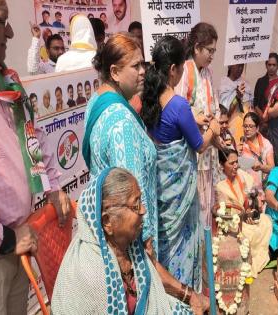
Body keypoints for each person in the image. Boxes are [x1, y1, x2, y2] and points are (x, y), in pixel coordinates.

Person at [0, 1, 69, 313]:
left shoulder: (5, 82)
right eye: (1, 21)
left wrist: (53, 187)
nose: (9, 32)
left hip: (18, 242)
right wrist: (4, 238)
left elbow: (33, 138)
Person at [52, 167, 208, 314]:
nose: (143, 210)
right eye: (136, 205)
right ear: (107, 221)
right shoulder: (92, 272)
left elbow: (153, 297)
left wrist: (190, 296)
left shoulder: (129, 247)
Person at [143, 36, 220, 291]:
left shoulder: (150, 100)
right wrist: (214, 130)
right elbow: (199, 145)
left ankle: (165, 291)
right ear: (174, 69)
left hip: (162, 194)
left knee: (166, 244)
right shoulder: (178, 104)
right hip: (180, 199)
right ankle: (184, 293)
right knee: (183, 245)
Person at [82, 33, 158, 255]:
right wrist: (147, 244)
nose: (143, 71)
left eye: (142, 63)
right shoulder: (122, 122)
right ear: (114, 72)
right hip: (131, 243)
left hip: (108, 231)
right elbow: (132, 196)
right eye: (136, 66)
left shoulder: (96, 100)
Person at [175, 22, 219, 226]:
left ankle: (205, 253)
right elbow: (178, 106)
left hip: (208, 150)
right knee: (195, 206)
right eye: (209, 50)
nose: (212, 55)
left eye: (214, 51)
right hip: (193, 150)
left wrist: (216, 124)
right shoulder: (186, 71)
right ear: (197, 48)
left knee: (207, 204)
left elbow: (214, 106)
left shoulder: (207, 73)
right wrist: (196, 116)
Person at [215, 149, 272, 277]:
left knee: (266, 221)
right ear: (221, 165)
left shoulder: (241, 175)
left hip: (244, 216)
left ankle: (257, 260)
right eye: (231, 163)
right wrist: (243, 218)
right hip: (232, 224)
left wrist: (250, 210)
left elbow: (248, 198)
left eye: (236, 162)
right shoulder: (220, 186)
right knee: (248, 233)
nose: (236, 166)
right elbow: (226, 217)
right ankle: (247, 265)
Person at [241, 112, 274, 196]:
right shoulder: (240, 144)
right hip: (245, 189)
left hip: (262, 189)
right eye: (245, 126)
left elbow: (272, 168)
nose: (247, 129)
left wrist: (261, 167)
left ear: (257, 128)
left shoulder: (266, 144)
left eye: (251, 126)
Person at [219, 63, 253, 145]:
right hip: (232, 127)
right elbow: (226, 112)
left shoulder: (246, 84)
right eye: (238, 66)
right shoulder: (224, 84)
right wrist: (237, 97)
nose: (240, 68)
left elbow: (251, 106)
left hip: (247, 127)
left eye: (242, 66)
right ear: (230, 66)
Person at [254, 52, 278, 119]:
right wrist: (262, 116)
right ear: (266, 65)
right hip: (261, 120)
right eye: (269, 65)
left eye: (274, 65)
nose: (271, 67)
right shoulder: (260, 81)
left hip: (275, 120)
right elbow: (255, 103)